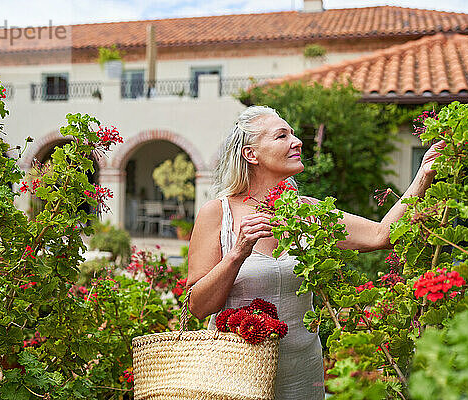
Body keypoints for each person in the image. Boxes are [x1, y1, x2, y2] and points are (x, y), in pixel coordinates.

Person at [186, 105, 443, 399]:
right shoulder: (218, 214)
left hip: (302, 371)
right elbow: (197, 306)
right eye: (282, 136)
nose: (297, 142)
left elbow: (381, 235)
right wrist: (238, 253)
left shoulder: (308, 213)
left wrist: (423, 175)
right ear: (251, 154)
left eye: (293, 135)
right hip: (235, 372)